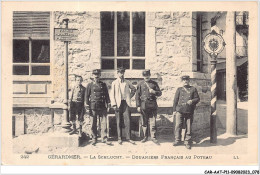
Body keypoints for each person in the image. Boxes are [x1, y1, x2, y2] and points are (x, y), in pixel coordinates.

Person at [172, 75, 200, 149]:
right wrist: (174, 110)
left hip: (189, 110)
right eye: (184, 80)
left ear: (189, 81)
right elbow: (175, 100)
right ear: (182, 81)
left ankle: (187, 141)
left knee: (189, 127)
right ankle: (177, 140)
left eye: (187, 80)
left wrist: (192, 101)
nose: (185, 81)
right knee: (178, 125)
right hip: (180, 110)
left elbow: (197, 98)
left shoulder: (193, 89)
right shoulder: (179, 89)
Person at [85, 69, 111, 146]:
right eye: (95, 75)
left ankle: (104, 138)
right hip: (93, 106)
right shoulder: (90, 85)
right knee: (93, 123)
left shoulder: (103, 85)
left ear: (100, 75)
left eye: (98, 75)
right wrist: (87, 105)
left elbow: (107, 95)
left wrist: (108, 104)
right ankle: (94, 138)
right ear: (92, 76)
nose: (96, 76)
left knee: (103, 123)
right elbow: (86, 96)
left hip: (102, 105)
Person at [110, 67, 136, 145]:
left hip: (126, 103)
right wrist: (113, 104)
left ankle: (128, 137)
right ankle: (119, 138)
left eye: (123, 72)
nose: (121, 74)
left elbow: (134, 89)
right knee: (118, 121)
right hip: (118, 103)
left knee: (127, 120)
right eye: (120, 73)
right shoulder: (114, 83)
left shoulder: (127, 82)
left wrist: (129, 97)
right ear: (117, 73)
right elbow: (112, 94)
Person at [136, 70, 162, 145]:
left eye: (147, 75)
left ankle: (153, 137)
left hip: (152, 104)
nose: (146, 77)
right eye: (144, 75)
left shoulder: (154, 83)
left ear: (150, 75)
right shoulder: (140, 84)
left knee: (153, 122)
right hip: (143, 105)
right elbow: (137, 96)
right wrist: (138, 106)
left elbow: (160, 93)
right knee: (144, 122)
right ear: (143, 76)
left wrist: (154, 92)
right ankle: (145, 137)